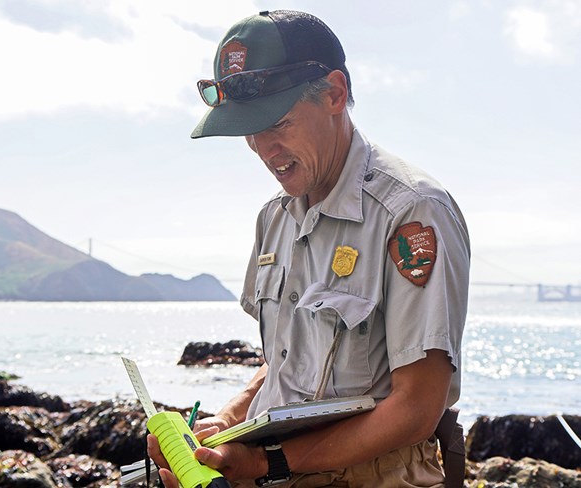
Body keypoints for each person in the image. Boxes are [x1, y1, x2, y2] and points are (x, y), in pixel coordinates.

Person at [148, 9, 470, 487]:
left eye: (277, 123)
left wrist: (265, 463)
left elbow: (417, 408)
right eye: (249, 132)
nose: (263, 149)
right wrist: (229, 421)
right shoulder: (274, 217)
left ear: (335, 95)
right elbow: (284, 359)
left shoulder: (411, 212)